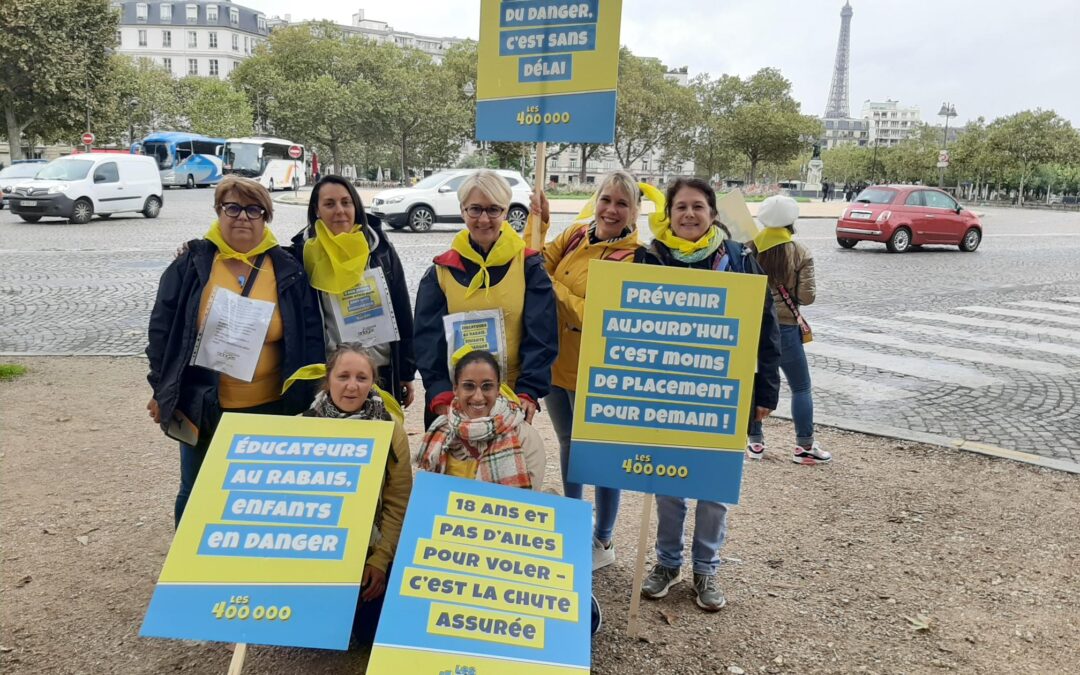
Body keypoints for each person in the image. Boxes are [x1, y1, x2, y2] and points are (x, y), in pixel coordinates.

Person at [634, 177, 781, 612]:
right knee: (667, 484)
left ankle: (705, 567)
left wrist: (765, 388)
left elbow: (765, 326)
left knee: (714, 487)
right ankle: (666, 563)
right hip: (667, 393)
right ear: (670, 214)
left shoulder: (738, 260)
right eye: (681, 207)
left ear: (713, 214)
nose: (689, 214)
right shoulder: (651, 259)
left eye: (698, 206)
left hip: (724, 393)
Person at [146, 176, 325, 526]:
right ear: (218, 212)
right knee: (196, 489)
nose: (243, 217)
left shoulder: (288, 269)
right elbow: (162, 332)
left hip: (273, 406)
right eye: (233, 207)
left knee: (262, 494)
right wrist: (160, 389)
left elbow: (310, 336)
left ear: (266, 217)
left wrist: (310, 395)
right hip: (206, 404)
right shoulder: (191, 265)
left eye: (253, 209)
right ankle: (190, 570)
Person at [524, 170, 642, 571]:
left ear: (634, 211)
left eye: (622, 203)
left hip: (598, 368)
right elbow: (535, 262)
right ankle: (573, 525)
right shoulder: (576, 234)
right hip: (557, 360)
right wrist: (536, 223)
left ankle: (604, 538)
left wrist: (553, 287)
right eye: (606, 199)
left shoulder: (634, 256)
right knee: (569, 444)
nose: (611, 209)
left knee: (603, 455)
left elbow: (598, 314)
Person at [413, 169, 557, 427]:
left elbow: (542, 337)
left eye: (493, 210)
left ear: (505, 212)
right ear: (462, 210)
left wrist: (529, 391)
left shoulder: (528, 267)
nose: (483, 219)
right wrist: (441, 393)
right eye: (475, 209)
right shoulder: (441, 272)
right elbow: (427, 341)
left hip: (509, 399)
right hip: (453, 401)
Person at [293, 343, 412, 646]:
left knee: (370, 635)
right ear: (328, 379)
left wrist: (380, 561)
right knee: (316, 635)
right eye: (343, 376)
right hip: (316, 553)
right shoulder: (301, 427)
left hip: (368, 550)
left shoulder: (391, 429)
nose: (351, 386)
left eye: (362, 378)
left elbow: (398, 503)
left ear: (373, 382)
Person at [288, 175, 416, 408]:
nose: (340, 211)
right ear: (316, 210)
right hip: (331, 374)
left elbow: (401, 308)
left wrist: (406, 370)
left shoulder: (380, 250)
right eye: (329, 204)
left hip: (379, 371)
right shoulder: (302, 256)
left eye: (346, 202)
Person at [747, 196, 830, 465]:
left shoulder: (748, 248)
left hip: (752, 325)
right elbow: (807, 297)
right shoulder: (800, 252)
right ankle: (804, 446)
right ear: (791, 221)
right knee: (801, 387)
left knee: (754, 381)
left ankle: (755, 443)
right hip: (784, 328)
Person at [417, 350, 545, 490]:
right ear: (455, 389)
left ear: (498, 389)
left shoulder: (525, 436)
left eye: (487, 386)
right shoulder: (441, 430)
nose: (478, 397)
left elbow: (530, 500)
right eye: (469, 386)